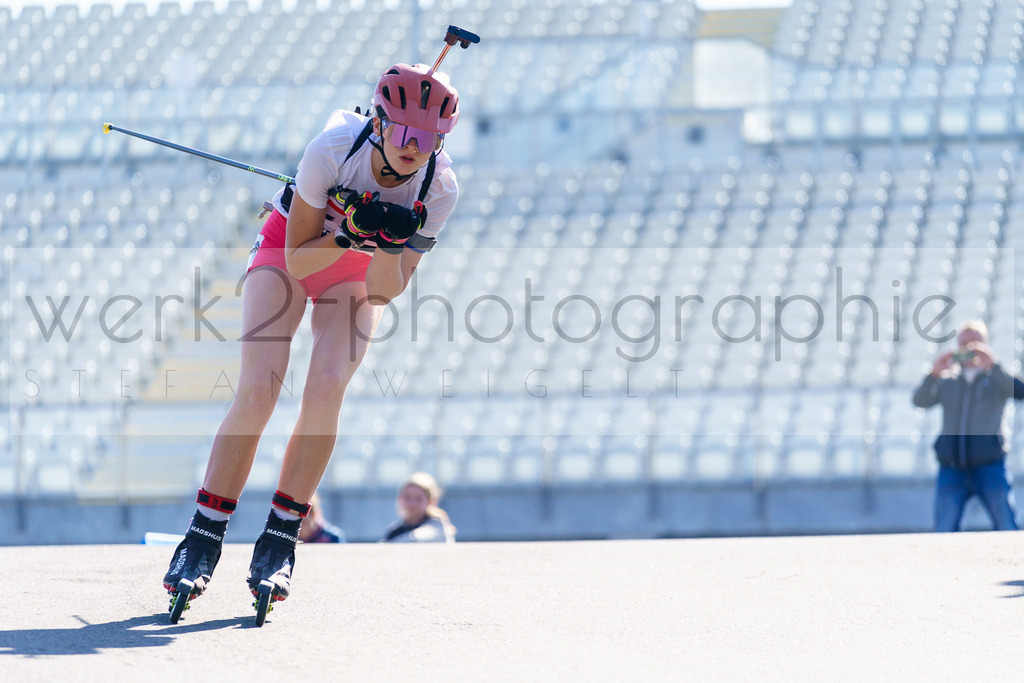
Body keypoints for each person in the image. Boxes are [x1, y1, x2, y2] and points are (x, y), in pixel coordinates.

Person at [162, 62, 461, 617]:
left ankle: (280, 538)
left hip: (359, 273)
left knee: (326, 389)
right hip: (290, 251)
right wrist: (347, 230)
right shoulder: (331, 149)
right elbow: (298, 258)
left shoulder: (439, 188)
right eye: (402, 135)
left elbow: (385, 291)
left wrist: (389, 242)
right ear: (379, 121)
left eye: (428, 141)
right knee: (260, 388)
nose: (413, 149)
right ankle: (202, 537)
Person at [912, 320, 1023, 532]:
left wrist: (994, 365)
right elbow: (920, 401)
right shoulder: (949, 380)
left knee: (1006, 525)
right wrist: (934, 373)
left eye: (975, 343)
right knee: (944, 529)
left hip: (990, 466)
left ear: (985, 344)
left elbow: (1020, 392)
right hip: (952, 468)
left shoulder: (997, 378)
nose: (970, 348)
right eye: (965, 343)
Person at [382, 472, 456, 543]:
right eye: (408, 498)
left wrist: (388, 546)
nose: (412, 503)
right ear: (399, 499)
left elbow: (418, 538)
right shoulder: (395, 532)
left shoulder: (437, 526)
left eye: (419, 498)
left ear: (430, 501)